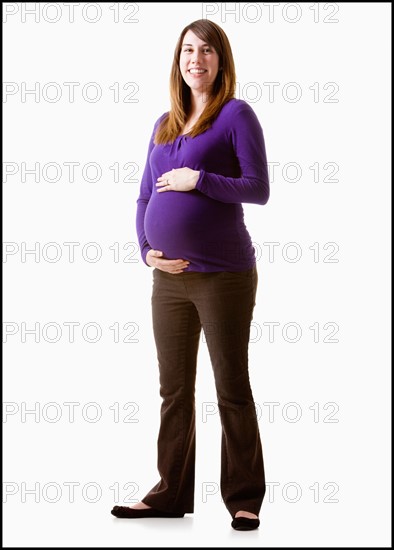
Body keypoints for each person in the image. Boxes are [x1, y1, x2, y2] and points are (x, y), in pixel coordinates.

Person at [111, 18, 270, 531]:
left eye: (205, 50)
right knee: (174, 390)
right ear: (177, 61)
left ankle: (244, 499)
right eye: (186, 50)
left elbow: (257, 188)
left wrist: (198, 179)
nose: (195, 59)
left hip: (223, 275)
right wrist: (146, 251)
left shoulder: (236, 115)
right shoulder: (164, 123)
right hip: (168, 280)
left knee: (231, 387)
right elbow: (143, 196)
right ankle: (169, 493)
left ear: (221, 60)